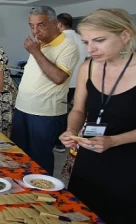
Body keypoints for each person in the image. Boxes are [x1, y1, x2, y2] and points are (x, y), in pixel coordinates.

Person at [59, 8, 136, 224]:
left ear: (125, 35)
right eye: (85, 42)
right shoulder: (88, 66)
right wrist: (72, 130)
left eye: (99, 40)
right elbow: (78, 109)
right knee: (82, 214)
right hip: (90, 156)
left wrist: (114, 140)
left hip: (128, 162)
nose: (90, 49)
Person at [10, 6, 79, 175]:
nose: (35, 30)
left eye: (40, 25)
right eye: (31, 26)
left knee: (40, 159)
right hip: (22, 108)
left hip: (45, 112)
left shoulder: (68, 46)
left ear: (55, 23)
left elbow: (58, 77)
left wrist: (35, 52)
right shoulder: (39, 44)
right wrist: (36, 50)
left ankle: (43, 196)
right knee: (18, 156)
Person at [54, 12, 89, 153]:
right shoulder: (82, 38)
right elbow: (88, 59)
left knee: (59, 113)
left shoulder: (60, 39)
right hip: (79, 83)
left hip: (62, 82)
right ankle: (66, 140)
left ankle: (59, 142)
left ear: (60, 24)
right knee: (72, 110)